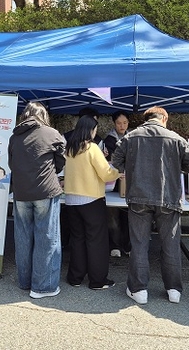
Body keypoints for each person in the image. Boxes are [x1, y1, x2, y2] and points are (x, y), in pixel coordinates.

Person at [112, 106, 189, 304]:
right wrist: (176, 167)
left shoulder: (131, 137)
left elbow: (116, 160)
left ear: (146, 119)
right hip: (168, 196)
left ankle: (139, 290)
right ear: (164, 119)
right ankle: (173, 290)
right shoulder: (175, 138)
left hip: (138, 196)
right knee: (171, 244)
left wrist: (132, 168)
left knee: (139, 244)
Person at [8, 102, 65, 299]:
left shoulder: (14, 137)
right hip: (45, 191)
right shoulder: (52, 133)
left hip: (21, 193)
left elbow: (11, 164)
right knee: (46, 237)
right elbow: (60, 162)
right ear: (43, 116)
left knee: (23, 237)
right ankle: (43, 287)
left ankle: (24, 281)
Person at [64, 115, 120, 290]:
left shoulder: (70, 148)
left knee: (78, 239)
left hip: (71, 200)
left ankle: (75, 277)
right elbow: (106, 174)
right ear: (91, 130)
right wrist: (118, 172)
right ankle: (97, 280)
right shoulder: (92, 148)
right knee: (96, 240)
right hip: (91, 199)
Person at [103, 110, 132, 258]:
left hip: (128, 182)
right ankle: (114, 245)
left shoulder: (132, 137)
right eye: (119, 123)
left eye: (125, 123)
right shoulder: (108, 140)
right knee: (112, 215)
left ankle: (127, 245)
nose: (122, 126)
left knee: (128, 216)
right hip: (113, 183)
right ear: (114, 124)